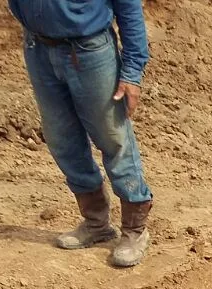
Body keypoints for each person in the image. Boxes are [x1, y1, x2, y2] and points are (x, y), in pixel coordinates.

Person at [9, 0, 154, 267]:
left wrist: (132, 72)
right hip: (38, 48)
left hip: (90, 51)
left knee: (112, 137)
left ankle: (135, 229)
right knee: (61, 139)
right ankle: (96, 223)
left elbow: (129, 7)